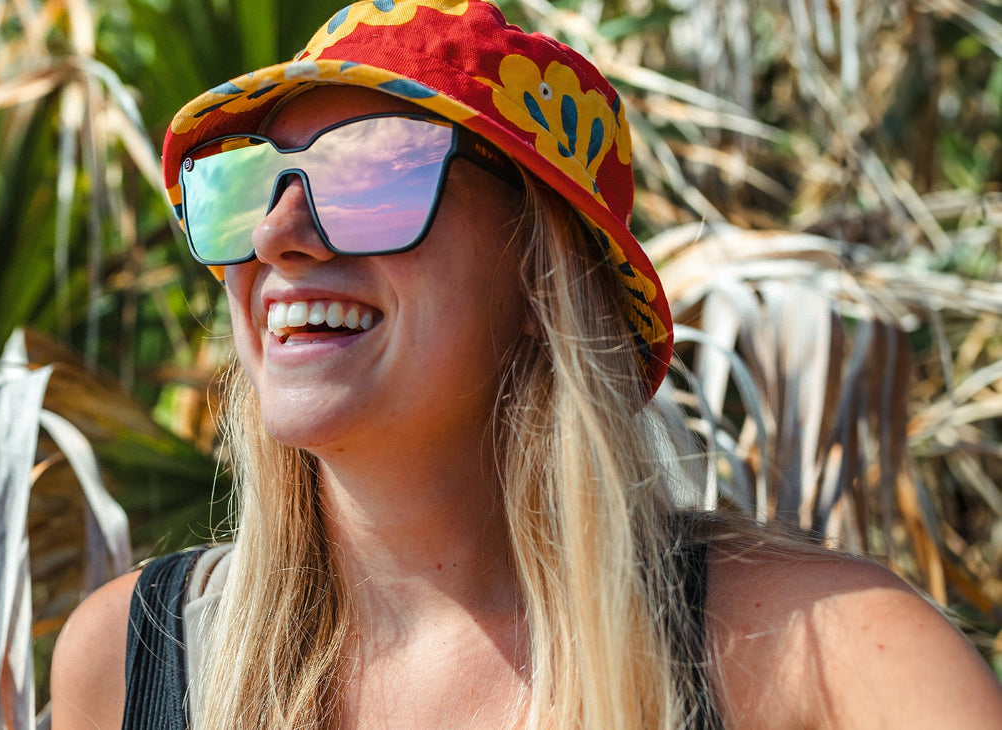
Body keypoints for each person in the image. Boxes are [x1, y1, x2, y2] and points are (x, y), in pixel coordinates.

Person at [51, 1, 1002, 727]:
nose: (278, 235)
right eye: (244, 182)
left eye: (372, 172)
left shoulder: (828, 658)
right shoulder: (138, 659)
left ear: (544, 274)